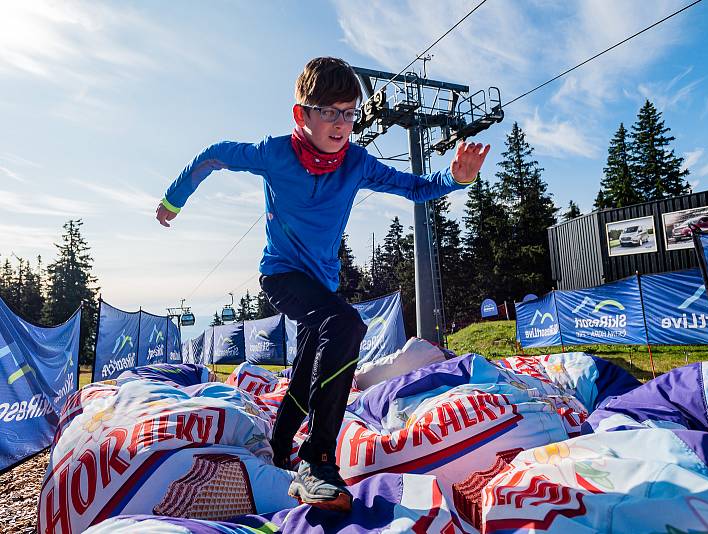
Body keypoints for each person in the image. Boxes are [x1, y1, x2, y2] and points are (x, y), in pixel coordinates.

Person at [156, 57, 489, 512]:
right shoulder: (273, 153)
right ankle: (317, 460)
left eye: (349, 113)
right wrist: (174, 200)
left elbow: (414, 187)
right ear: (302, 115)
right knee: (346, 326)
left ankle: (277, 450)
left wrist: (455, 178)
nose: (341, 124)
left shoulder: (355, 163)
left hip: (323, 285)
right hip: (281, 276)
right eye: (329, 112)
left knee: (311, 365)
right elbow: (213, 155)